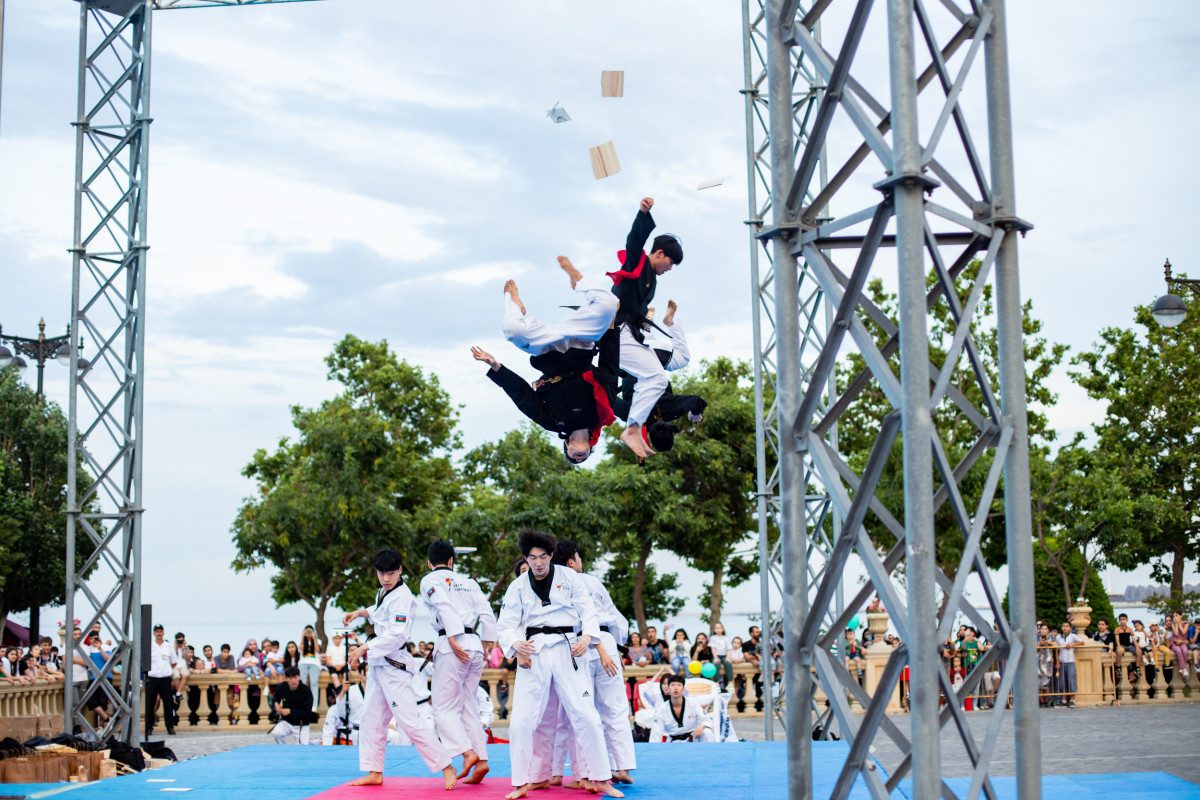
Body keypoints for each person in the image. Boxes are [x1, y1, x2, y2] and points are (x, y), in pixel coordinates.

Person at [496, 529, 622, 800]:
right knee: (521, 721)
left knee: (586, 714)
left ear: (551, 556)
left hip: (568, 649)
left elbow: (588, 611)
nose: (538, 563)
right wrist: (517, 647)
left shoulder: (570, 578)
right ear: (526, 559)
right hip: (534, 652)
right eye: (532, 558)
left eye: (543, 557)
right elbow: (505, 626)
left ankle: (600, 778)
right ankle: (521, 782)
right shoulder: (516, 587)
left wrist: (587, 637)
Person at [472, 257, 634, 463]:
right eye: (582, 458)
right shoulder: (601, 414)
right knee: (609, 304)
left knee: (512, 331)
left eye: (573, 458)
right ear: (590, 448)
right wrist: (610, 327)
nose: (578, 457)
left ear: (567, 445)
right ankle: (578, 281)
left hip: (546, 351)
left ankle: (516, 305)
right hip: (580, 345)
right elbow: (610, 369)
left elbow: (523, 397)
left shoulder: (553, 422)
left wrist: (495, 366)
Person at [343, 548, 456, 789]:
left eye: (391, 573)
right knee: (371, 719)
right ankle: (375, 771)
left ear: (400, 570)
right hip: (379, 666)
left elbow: (397, 634)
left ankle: (446, 765)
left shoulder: (404, 598)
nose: (386, 578)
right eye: (382, 573)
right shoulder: (384, 592)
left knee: (409, 721)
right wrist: (360, 613)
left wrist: (364, 648)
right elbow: (380, 614)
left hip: (395, 666)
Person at [550, 540, 636, 785]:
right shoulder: (593, 582)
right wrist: (617, 648)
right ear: (571, 562)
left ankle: (589, 773)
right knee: (615, 709)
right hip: (606, 642)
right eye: (578, 557)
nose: (581, 562)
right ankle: (624, 767)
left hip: (578, 647)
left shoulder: (555, 585)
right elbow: (617, 619)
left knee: (585, 711)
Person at [607, 196, 684, 455]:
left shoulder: (653, 278)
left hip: (629, 333)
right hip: (616, 331)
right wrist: (642, 214)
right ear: (659, 253)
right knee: (656, 377)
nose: (670, 268)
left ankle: (633, 428)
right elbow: (633, 243)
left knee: (656, 379)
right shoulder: (637, 263)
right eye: (670, 263)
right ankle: (632, 428)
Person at [419, 538, 499, 784]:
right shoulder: (468, 582)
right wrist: (487, 643)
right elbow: (486, 612)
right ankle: (482, 760)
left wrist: (452, 638)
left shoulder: (430, 580)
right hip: (474, 644)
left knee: (442, 707)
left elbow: (443, 606)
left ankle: (466, 752)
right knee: (468, 705)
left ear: (430, 562)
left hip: (452, 643)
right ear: (452, 561)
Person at [610, 300, 706, 453]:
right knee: (647, 360)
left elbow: (697, 401)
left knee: (682, 359)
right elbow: (608, 399)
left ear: (670, 428)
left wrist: (695, 414)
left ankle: (669, 323)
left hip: (654, 355)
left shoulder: (672, 410)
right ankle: (646, 330)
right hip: (629, 356)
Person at [648, 675, 715, 742]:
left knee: (707, 732)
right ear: (668, 688)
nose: (676, 688)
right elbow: (656, 732)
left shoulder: (692, 703)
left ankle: (709, 752)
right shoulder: (662, 708)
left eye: (679, 685)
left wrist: (701, 726)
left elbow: (707, 720)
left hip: (692, 739)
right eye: (672, 685)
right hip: (674, 742)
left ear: (683, 689)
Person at [145, 623, 178, 737]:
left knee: (168, 704)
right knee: (150, 704)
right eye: (157, 631)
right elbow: (144, 662)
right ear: (154, 633)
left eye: (160, 631)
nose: (159, 633)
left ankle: (170, 726)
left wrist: (165, 669)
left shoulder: (168, 646)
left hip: (165, 678)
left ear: (163, 633)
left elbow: (173, 662)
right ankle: (149, 727)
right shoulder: (149, 646)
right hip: (152, 677)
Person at [267, 666, 314, 744]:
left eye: (295, 677)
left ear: (299, 677)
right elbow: (275, 697)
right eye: (290, 678)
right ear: (286, 679)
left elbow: (307, 712)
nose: (293, 681)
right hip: (287, 721)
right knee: (276, 733)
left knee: (303, 746)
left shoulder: (306, 690)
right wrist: (276, 704)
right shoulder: (282, 687)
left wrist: (290, 711)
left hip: (302, 723)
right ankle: (283, 749)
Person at [1054, 621, 1083, 707]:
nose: (1065, 628)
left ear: (1070, 628)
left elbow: (1082, 642)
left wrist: (1073, 644)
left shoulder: (1072, 636)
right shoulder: (1058, 637)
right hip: (1061, 660)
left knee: (1071, 679)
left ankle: (1072, 700)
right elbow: (1056, 649)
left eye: (1067, 626)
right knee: (1062, 681)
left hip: (1070, 660)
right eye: (1063, 626)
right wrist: (1057, 662)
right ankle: (1063, 700)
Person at [299, 626, 322, 710]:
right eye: (307, 631)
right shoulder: (302, 641)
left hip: (314, 663)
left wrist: (314, 637)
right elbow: (301, 649)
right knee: (303, 683)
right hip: (303, 663)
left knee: (314, 683)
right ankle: (303, 703)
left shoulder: (317, 641)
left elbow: (317, 650)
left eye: (310, 631)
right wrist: (302, 636)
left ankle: (314, 704)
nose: (308, 633)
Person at [1167, 611, 1190, 678]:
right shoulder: (1173, 624)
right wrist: (1176, 624)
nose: (1175, 617)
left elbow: (1183, 632)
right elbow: (1176, 633)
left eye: (1176, 615)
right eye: (1174, 616)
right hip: (1175, 643)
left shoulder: (1186, 623)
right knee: (1179, 651)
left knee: (1185, 651)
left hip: (1182, 641)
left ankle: (1182, 668)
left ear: (1180, 616)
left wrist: (1179, 624)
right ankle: (1183, 668)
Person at [172, 633, 191, 700]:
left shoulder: (186, 648)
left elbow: (186, 657)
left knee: (185, 675)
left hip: (183, 666)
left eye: (181, 640)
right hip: (175, 666)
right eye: (178, 640)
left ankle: (177, 693)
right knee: (176, 677)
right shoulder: (173, 648)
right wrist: (175, 646)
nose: (180, 642)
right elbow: (173, 656)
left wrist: (183, 647)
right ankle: (179, 693)